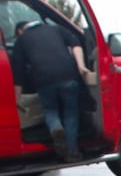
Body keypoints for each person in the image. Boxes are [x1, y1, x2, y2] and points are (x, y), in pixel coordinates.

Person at [13, 18, 89, 160]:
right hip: (68, 75)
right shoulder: (55, 28)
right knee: (71, 113)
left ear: (20, 30)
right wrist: (81, 66)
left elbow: (19, 72)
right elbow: (76, 43)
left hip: (44, 80)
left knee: (50, 110)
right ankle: (72, 152)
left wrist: (16, 97)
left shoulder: (22, 40)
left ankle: (56, 128)